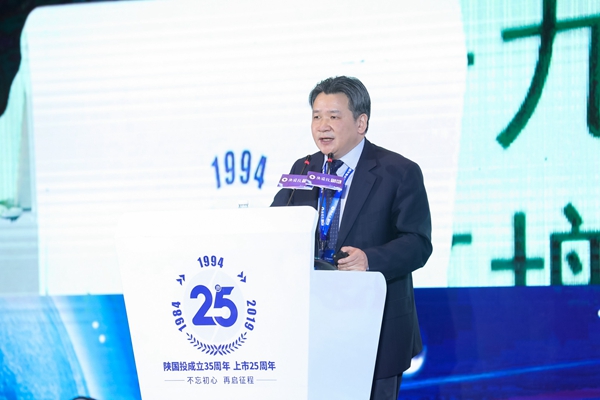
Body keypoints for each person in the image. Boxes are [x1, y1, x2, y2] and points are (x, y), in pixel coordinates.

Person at [271, 76, 432, 399]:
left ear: (361, 122)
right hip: (313, 326)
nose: (322, 126)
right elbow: (277, 228)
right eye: (316, 116)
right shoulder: (303, 168)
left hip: (376, 327)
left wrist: (370, 259)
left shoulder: (398, 171)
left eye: (333, 116)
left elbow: (418, 243)